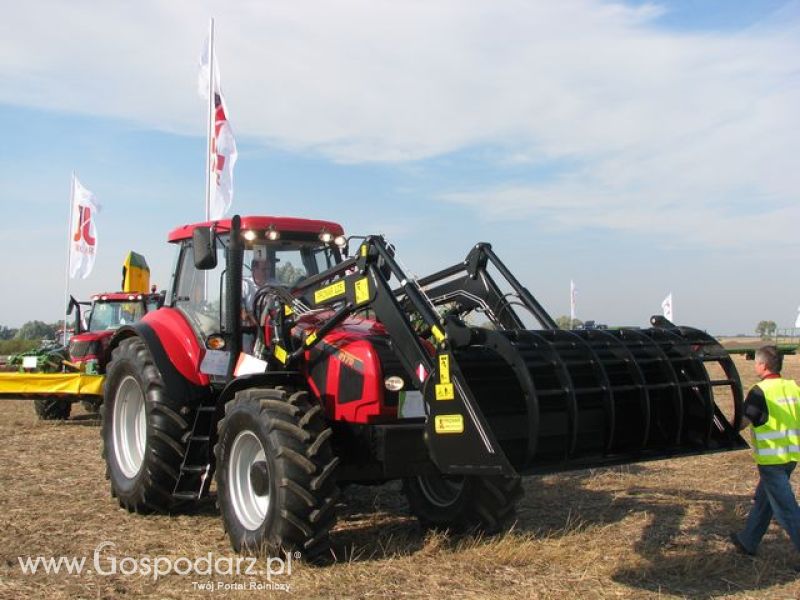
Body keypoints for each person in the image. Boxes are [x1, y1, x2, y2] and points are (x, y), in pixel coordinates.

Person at [730, 345, 800, 557]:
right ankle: (748, 540)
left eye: (756, 363)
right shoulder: (792, 387)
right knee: (765, 499)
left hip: (772, 460)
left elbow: (743, 422)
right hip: (791, 457)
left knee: (785, 509)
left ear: (763, 365)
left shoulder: (760, 391)